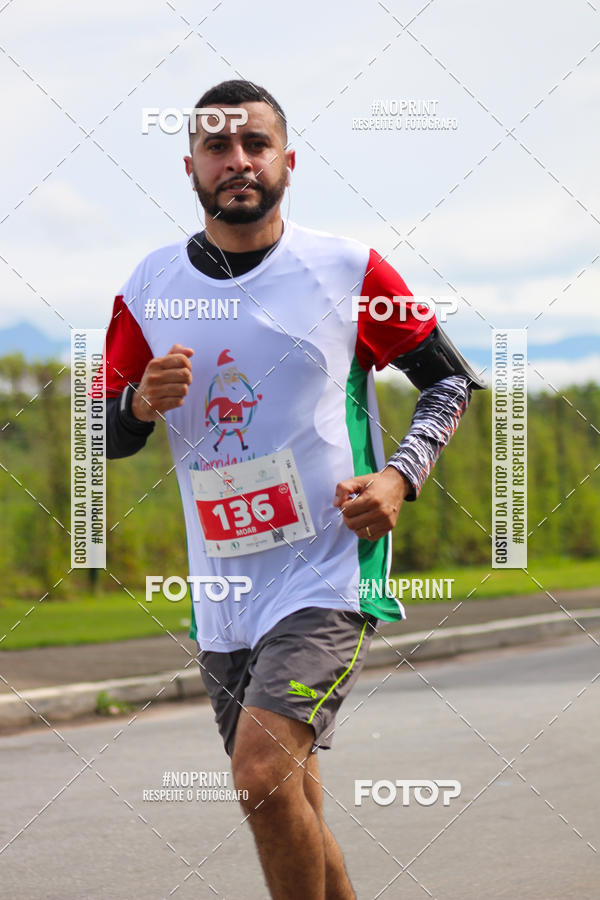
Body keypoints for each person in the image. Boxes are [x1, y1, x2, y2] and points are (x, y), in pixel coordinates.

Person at [104, 79, 483, 900]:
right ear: (190, 166)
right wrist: (138, 402)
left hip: (329, 565)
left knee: (260, 775)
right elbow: (105, 434)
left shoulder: (345, 268)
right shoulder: (148, 286)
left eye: (255, 145)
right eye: (218, 147)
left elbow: (448, 381)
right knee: (289, 795)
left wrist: (399, 475)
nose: (237, 161)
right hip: (224, 583)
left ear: (288, 161)